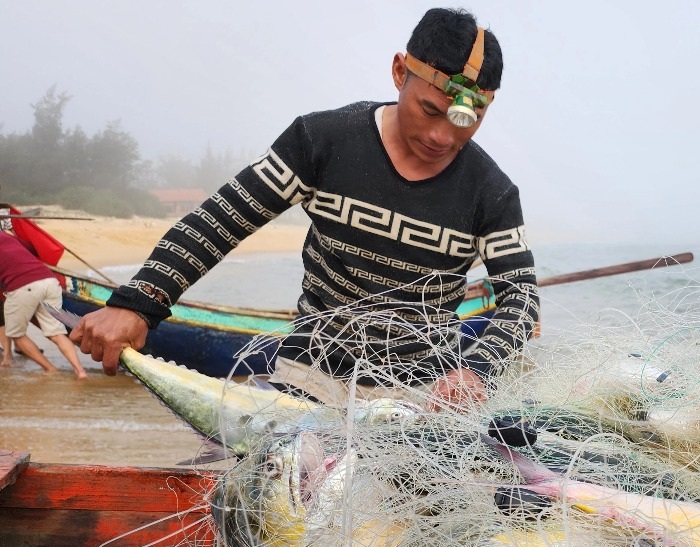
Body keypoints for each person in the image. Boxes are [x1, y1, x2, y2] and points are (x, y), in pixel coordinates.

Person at [70, 8, 539, 409]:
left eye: (466, 120)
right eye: (430, 110)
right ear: (400, 72)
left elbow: (520, 301)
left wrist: (477, 371)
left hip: (422, 398)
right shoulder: (323, 140)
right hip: (308, 379)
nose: (442, 136)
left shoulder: (491, 192)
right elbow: (220, 221)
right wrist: (137, 303)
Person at [0, 231, 89, 378]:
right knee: (56, 332)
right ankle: (80, 371)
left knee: (17, 335)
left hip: (23, 287)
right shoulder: (6, 237)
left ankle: (51, 369)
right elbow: (30, 248)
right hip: (49, 281)